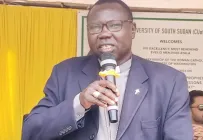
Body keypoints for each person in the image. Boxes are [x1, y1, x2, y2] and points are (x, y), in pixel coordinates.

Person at [22, 0, 193, 139]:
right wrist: (79, 103)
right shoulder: (65, 73)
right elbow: (30, 131)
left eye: (114, 25)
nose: (104, 33)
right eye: (95, 27)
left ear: (132, 29)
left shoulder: (169, 81)